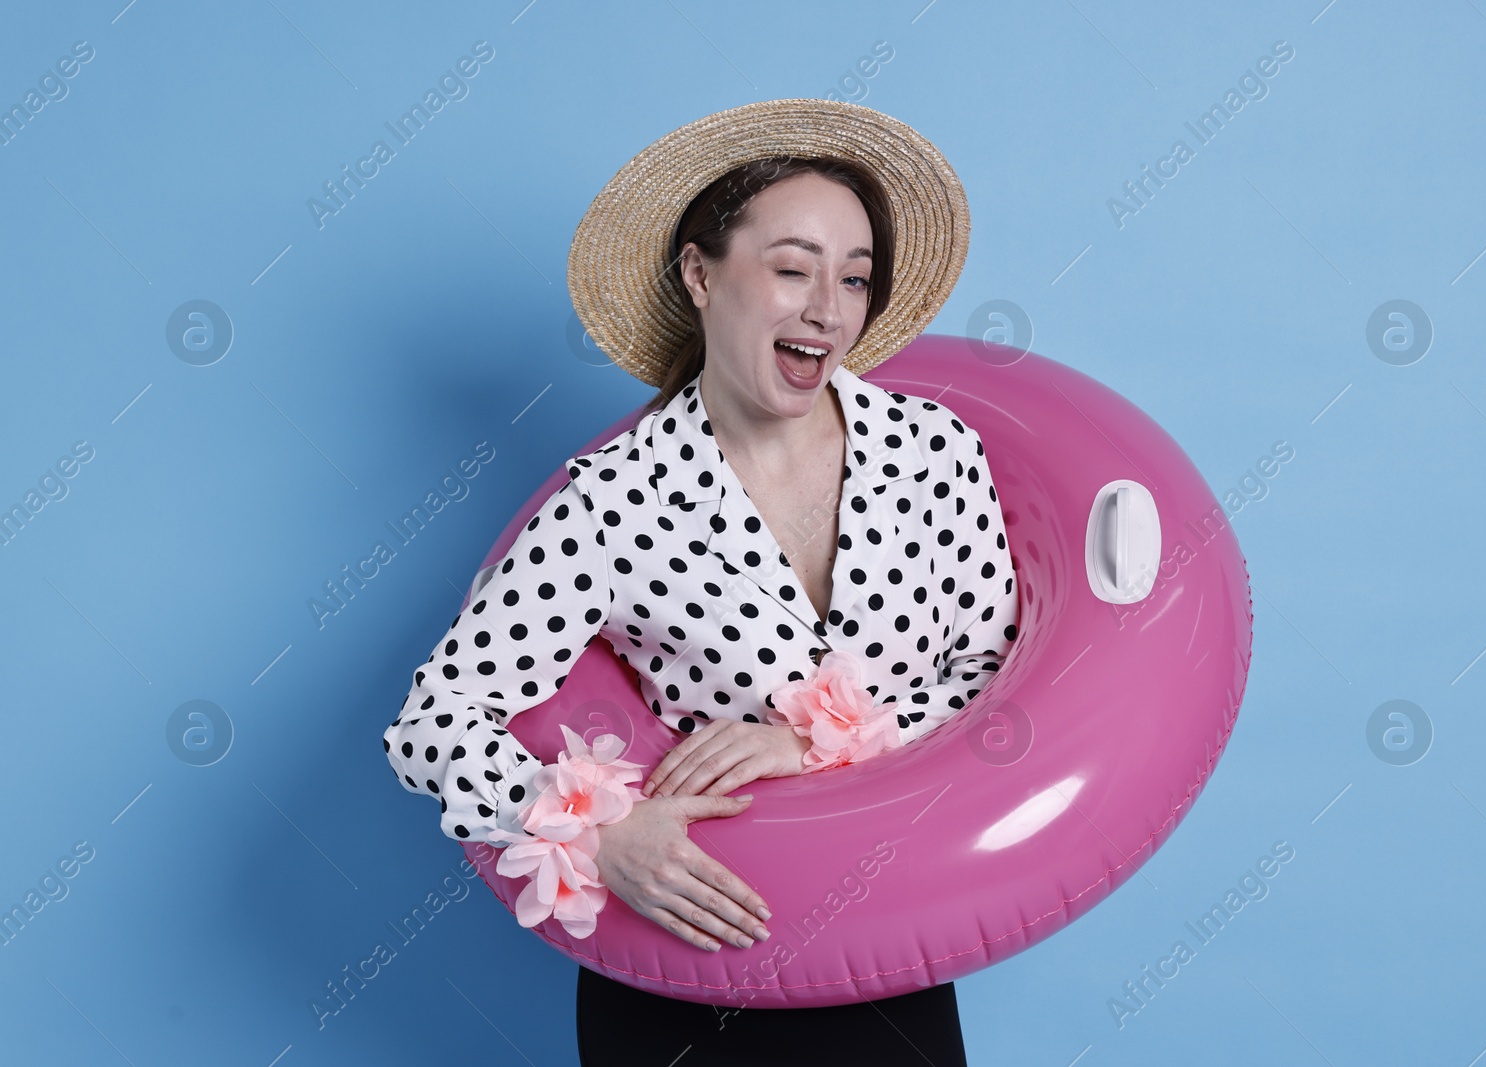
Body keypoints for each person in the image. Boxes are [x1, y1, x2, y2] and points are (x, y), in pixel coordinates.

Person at [382, 99, 1017, 1066]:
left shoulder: (936, 453)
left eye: (854, 279)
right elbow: (436, 720)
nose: (828, 308)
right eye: (793, 268)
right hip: (686, 973)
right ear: (698, 272)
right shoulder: (611, 502)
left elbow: (991, 676)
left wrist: (810, 746)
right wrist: (602, 830)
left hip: (889, 959)